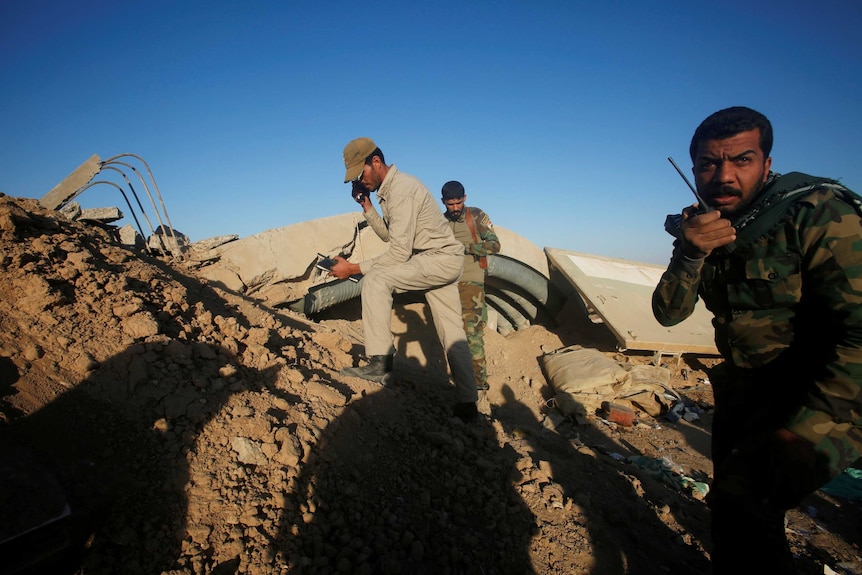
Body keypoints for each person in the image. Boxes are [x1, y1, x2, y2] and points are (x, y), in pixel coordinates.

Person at [651, 106, 862, 574]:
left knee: (744, 505)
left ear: (766, 164)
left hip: (827, 391)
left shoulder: (817, 212)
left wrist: (805, 428)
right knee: (734, 511)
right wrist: (690, 253)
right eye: (708, 163)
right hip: (749, 390)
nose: (723, 175)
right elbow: (668, 313)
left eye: (741, 160)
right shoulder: (702, 225)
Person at [328, 137, 479, 422]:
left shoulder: (402, 190)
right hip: (438, 260)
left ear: (375, 162)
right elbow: (390, 235)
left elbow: (398, 253)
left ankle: (379, 363)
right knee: (452, 332)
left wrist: (353, 268)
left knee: (376, 280)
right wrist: (368, 206)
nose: (359, 182)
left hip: (436, 259)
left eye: (360, 175)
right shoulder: (390, 191)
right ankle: (468, 403)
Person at [440, 180, 501, 392]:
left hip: (471, 280)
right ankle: (460, 383)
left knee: (472, 333)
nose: (455, 208)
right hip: (447, 282)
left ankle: (479, 385)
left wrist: (464, 247)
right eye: (450, 204)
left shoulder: (475, 216)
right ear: (443, 202)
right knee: (450, 335)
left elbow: (494, 245)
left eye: (458, 203)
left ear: (464, 199)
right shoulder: (439, 222)